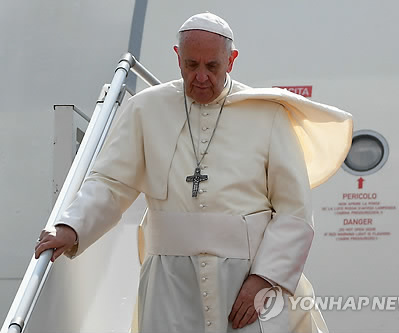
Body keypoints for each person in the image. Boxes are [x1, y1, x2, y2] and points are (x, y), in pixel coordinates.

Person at [35, 12, 352, 333]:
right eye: (191, 65)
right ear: (177, 57)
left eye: (212, 66)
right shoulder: (145, 109)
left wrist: (264, 278)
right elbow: (110, 182)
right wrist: (72, 227)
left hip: (248, 280)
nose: (201, 77)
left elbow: (294, 211)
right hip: (169, 283)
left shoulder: (268, 115)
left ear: (231, 60)